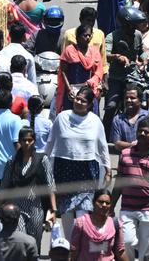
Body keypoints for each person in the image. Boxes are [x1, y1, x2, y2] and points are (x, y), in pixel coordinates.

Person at [45, 86, 111, 235]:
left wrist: (108, 169)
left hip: (87, 169)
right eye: (77, 98)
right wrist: (42, 162)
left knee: (84, 209)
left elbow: (102, 146)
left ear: (89, 105)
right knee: (67, 210)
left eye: (83, 101)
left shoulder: (95, 121)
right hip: (64, 168)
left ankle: (82, 242)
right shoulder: (62, 117)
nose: (78, 102)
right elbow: (50, 142)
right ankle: (70, 245)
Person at [113, 117, 149, 260]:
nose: (142, 134)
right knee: (126, 242)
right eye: (140, 131)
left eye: (146, 132)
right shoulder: (125, 154)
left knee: (146, 248)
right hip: (127, 207)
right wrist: (111, 205)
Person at [1, 126, 57, 250]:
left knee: (34, 243)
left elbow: (50, 185)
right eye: (24, 140)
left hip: (36, 208)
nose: (27, 143)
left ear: (34, 141)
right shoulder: (12, 162)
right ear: (19, 141)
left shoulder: (42, 160)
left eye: (30, 140)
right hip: (17, 208)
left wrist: (53, 210)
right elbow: (4, 186)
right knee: (19, 240)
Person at [56, 24, 104, 113]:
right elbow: (63, 71)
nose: (88, 38)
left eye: (90, 35)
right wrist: (69, 89)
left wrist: (93, 82)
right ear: (78, 37)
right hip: (73, 90)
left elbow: (99, 70)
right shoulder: (69, 50)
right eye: (85, 35)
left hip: (89, 90)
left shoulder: (94, 51)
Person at [68, 189, 126, 261]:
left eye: (107, 203)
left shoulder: (115, 224)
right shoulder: (81, 223)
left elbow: (120, 251)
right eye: (101, 202)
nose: (104, 205)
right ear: (93, 202)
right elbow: (74, 251)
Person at [109, 85, 149, 151]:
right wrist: (133, 145)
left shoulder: (147, 116)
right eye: (126, 98)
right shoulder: (118, 119)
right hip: (126, 159)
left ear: (140, 100)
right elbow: (117, 144)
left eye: (132, 98)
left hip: (145, 159)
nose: (128, 100)